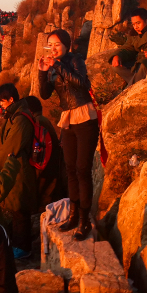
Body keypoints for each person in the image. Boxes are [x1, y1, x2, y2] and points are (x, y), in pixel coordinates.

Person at [36, 30, 98, 240]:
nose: (53, 48)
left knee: (83, 169)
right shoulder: (53, 67)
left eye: (56, 44)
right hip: (68, 119)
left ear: (66, 45)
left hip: (85, 115)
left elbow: (82, 84)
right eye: (50, 45)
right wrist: (43, 72)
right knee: (70, 169)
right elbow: (44, 94)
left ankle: (84, 220)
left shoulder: (75, 60)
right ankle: (73, 215)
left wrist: (57, 65)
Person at [0, 84, 37, 259]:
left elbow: (10, 146)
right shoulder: (16, 115)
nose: (1, 105)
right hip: (15, 166)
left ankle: (23, 248)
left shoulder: (21, 120)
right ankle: (19, 245)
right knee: (17, 208)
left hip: (19, 168)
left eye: (2, 101)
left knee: (20, 208)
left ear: (11, 100)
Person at [23, 96, 67, 211]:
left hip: (45, 173)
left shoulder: (38, 123)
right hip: (52, 170)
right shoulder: (43, 120)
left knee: (45, 204)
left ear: (30, 110)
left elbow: (40, 152)